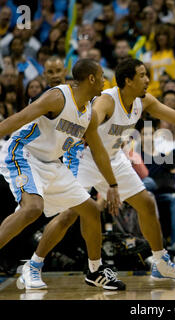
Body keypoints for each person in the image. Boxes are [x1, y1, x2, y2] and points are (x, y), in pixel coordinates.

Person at [26, 58, 175, 286]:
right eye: (142, 75)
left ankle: (160, 262)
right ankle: (34, 265)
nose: (148, 79)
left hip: (114, 158)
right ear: (128, 81)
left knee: (147, 203)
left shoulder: (144, 100)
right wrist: (109, 182)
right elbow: (90, 125)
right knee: (69, 215)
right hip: (86, 160)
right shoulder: (106, 101)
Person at [0, 59, 123, 290]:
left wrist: (113, 185)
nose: (105, 82)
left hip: (51, 164)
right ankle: (30, 265)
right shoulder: (58, 97)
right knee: (33, 208)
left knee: (90, 211)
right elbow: (19, 118)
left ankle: (95, 271)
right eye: (102, 77)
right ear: (92, 78)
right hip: (24, 153)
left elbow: (98, 151)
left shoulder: (88, 111)